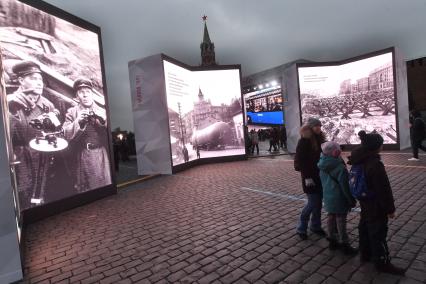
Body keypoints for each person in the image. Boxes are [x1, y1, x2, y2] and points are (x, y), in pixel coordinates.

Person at [348, 131, 405, 275]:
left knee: (365, 226)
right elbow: (384, 190)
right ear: (376, 146)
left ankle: (365, 254)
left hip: (364, 200)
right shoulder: (375, 164)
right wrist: (390, 209)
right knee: (378, 233)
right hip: (376, 204)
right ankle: (381, 261)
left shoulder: (358, 158)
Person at [7, 61, 60, 209]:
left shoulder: (47, 104)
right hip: (22, 157)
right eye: (33, 78)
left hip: (43, 157)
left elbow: (56, 127)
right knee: (24, 195)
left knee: (42, 193)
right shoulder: (10, 102)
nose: (39, 83)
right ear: (21, 80)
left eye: (40, 79)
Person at [63, 78, 111, 193]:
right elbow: (65, 133)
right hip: (82, 155)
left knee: (103, 183)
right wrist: (78, 121)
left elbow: (114, 134)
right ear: (77, 96)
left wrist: (104, 120)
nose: (85, 95)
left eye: (88, 92)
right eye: (81, 92)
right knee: (86, 187)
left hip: (101, 155)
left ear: (92, 94)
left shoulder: (103, 110)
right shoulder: (72, 112)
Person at [317, 141, 358, 255]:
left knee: (330, 217)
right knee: (341, 220)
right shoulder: (339, 167)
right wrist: (351, 200)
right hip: (339, 198)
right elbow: (345, 187)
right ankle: (344, 243)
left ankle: (332, 240)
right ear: (336, 152)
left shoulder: (322, 164)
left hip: (328, 196)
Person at [294, 117, 327, 239]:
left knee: (318, 203)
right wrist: (307, 177)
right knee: (312, 203)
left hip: (320, 176)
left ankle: (315, 226)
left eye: (319, 126)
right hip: (309, 177)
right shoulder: (304, 141)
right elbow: (300, 161)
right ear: (311, 127)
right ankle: (301, 228)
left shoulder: (320, 139)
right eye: (316, 126)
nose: (318, 128)